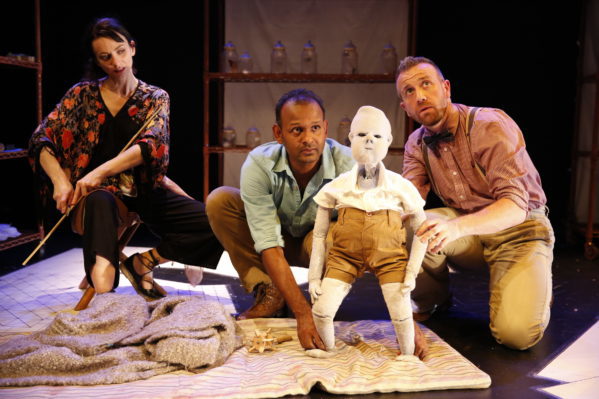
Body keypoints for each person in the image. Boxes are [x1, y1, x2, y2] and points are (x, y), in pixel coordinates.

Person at [28, 17, 223, 298]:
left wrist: (100, 171)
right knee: (99, 201)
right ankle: (104, 297)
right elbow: (40, 138)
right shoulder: (82, 95)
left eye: (120, 51)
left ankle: (143, 263)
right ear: (97, 61)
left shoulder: (155, 97)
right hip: (98, 196)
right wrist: (60, 181)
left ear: (132, 48)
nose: (116, 62)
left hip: (144, 189)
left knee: (216, 221)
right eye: (105, 57)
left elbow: (150, 145)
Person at [396, 56, 555, 350]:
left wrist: (456, 227)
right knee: (411, 227)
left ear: (446, 88)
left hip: (520, 229)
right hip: (469, 232)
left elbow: (516, 206)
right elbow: (409, 202)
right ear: (405, 107)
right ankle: (433, 300)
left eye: (426, 84)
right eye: (408, 92)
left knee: (517, 336)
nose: (419, 95)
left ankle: (536, 284)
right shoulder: (416, 143)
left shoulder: (489, 124)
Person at [205, 88, 354, 350]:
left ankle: (325, 300)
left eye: (315, 128)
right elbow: (269, 244)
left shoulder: (348, 164)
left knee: (349, 230)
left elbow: (366, 231)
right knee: (220, 200)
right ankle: (270, 290)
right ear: (278, 134)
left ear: (326, 129)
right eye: (297, 130)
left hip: (318, 244)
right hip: (276, 243)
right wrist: (301, 313)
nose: (309, 139)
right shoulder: (259, 164)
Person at [306, 106, 427, 359]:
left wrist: (412, 272)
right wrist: (314, 278)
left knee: (402, 314)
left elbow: (422, 230)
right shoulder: (337, 187)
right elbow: (319, 235)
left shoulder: (400, 187)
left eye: (377, 136)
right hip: (344, 258)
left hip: (390, 258)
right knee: (321, 310)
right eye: (361, 134)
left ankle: (406, 356)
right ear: (350, 139)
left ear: (389, 141)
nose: (369, 140)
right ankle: (328, 350)